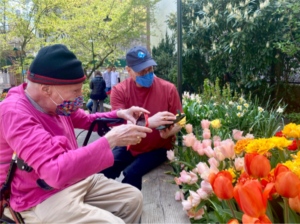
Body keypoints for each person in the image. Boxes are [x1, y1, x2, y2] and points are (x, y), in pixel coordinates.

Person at [0, 44, 153, 223]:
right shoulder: (14, 112)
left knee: (133, 199)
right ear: (46, 89)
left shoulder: (56, 104)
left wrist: (120, 114)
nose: (80, 96)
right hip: (36, 195)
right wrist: (110, 141)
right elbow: (54, 171)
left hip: (73, 179)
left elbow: (87, 120)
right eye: (75, 91)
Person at [101, 46, 183, 190]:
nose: (147, 73)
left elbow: (180, 120)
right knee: (104, 168)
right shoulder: (119, 91)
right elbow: (118, 126)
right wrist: (148, 122)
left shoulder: (168, 88)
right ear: (129, 71)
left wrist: (169, 132)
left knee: (132, 173)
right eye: (141, 71)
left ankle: (130, 210)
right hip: (129, 145)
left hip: (158, 147)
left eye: (150, 69)